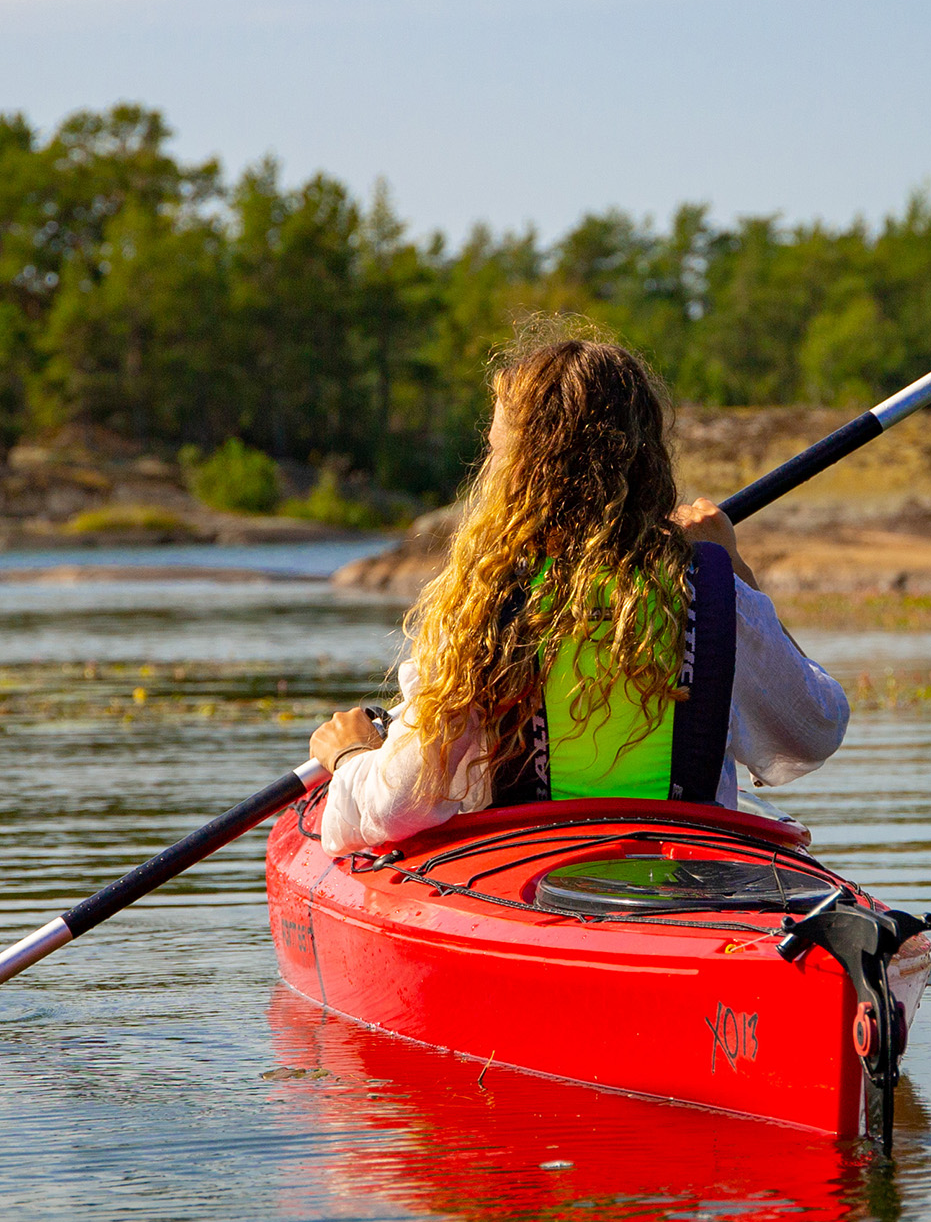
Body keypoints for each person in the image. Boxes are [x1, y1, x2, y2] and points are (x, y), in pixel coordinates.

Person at [308, 321, 850, 854]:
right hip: (693, 878)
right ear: (646, 460)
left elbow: (396, 808)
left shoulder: (487, 604)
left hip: (532, 887)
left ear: (522, 471)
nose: (489, 464)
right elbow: (815, 729)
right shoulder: (707, 589)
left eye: (497, 449)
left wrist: (352, 757)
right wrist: (732, 568)